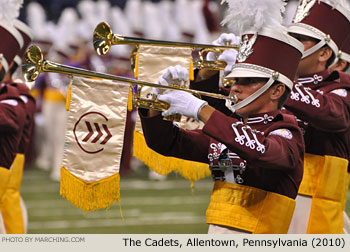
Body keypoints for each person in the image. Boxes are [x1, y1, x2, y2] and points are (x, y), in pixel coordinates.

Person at [139, 0, 305, 234]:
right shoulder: (231, 130)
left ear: (276, 91)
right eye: (234, 80)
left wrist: (200, 109)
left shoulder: (286, 132)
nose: (235, 88)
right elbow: (167, 143)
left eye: (247, 82)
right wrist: (155, 102)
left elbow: (262, 152)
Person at [284, 0, 350, 233]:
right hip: (270, 192)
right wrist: (208, 74)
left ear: (323, 52)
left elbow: (333, 115)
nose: (291, 44)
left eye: (300, 39)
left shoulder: (340, 86)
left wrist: (275, 84)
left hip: (313, 196)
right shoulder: (272, 87)